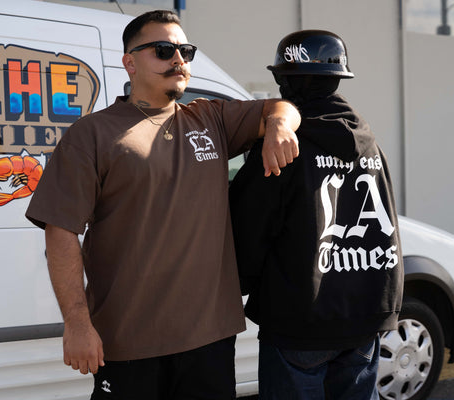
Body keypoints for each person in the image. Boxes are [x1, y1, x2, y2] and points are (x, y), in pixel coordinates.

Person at [25, 10, 300, 400]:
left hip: (210, 340)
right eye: (163, 50)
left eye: (185, 51)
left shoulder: (211, 118)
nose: (178, 60)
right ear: (130, 63)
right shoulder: (92, 134)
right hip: (129, 344)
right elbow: (61, 230)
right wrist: (77, 324)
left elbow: (280, 107)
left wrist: (279, 125)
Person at [229, 30, 404, 400]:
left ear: (285, 79)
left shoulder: (281, 144)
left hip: (299, 323)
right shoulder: (367, 141)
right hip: (365, 318)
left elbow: (249, 227)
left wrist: (236, 284)